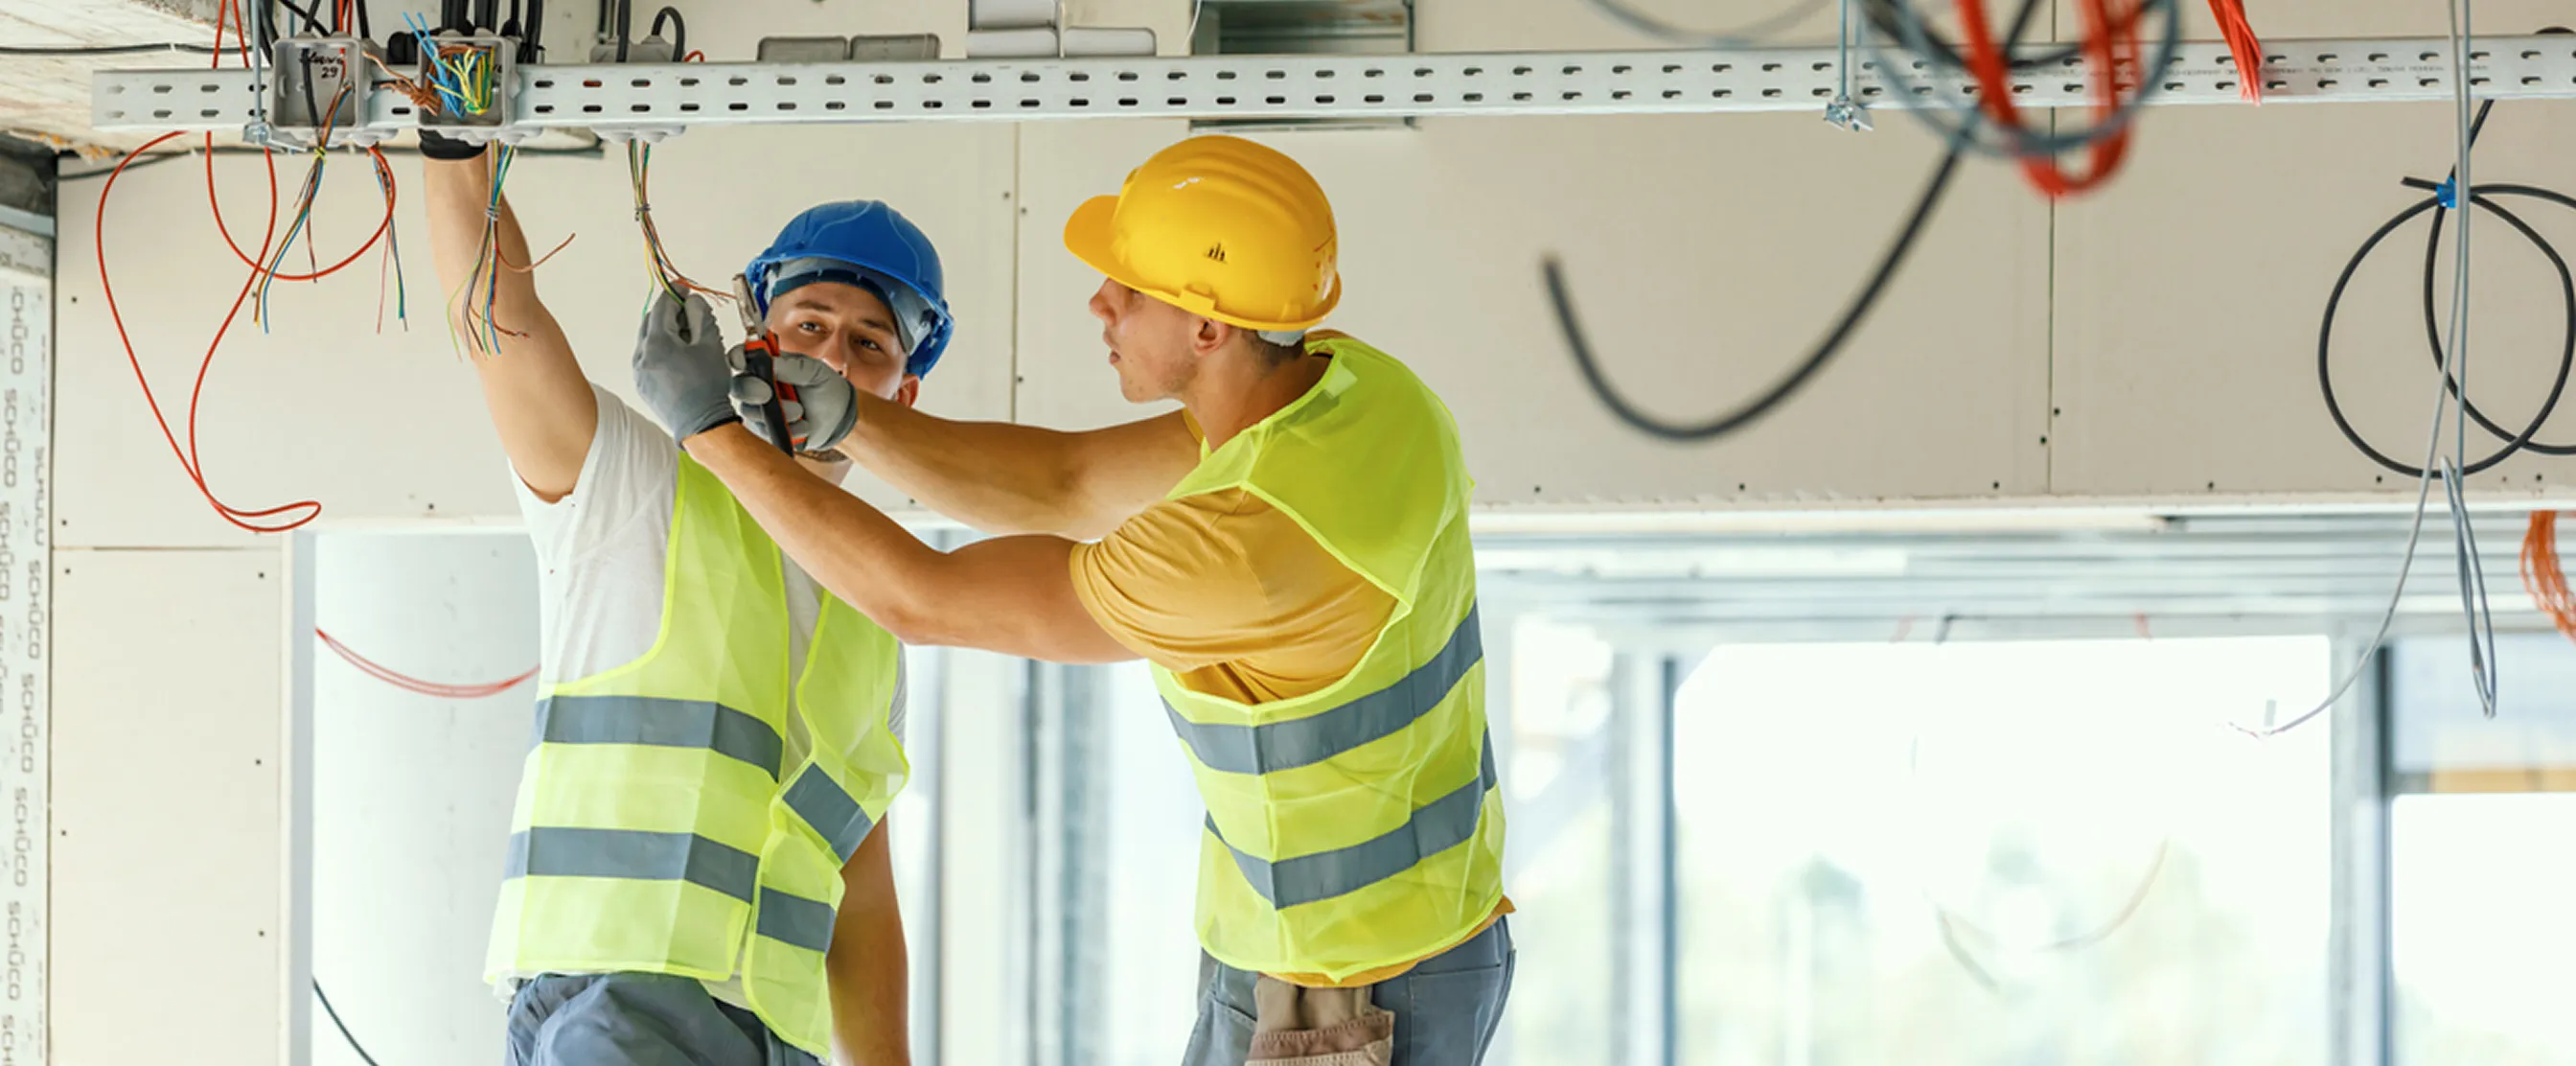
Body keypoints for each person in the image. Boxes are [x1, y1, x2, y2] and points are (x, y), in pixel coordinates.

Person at [632, 134, 1512, 1065]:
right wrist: (853, 414)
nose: (1101, 302)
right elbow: (1064, 477)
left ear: (1210, 329)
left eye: (1128, 289)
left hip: (1351, 987)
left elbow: (924, 597)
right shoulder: (1358, 394)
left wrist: (711, 433)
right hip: (1331, 950)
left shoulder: (1237, 548)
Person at [421, 134, 949, 1066]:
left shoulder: (881, 611)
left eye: (867, 343)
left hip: (773, 1036)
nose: (829, 355)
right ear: (757, 344)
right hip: (623, 996)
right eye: (809, 323)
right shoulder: (637, 483)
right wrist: (456, 147)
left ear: (901, 393)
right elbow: (501, 322)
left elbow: (861, 890)